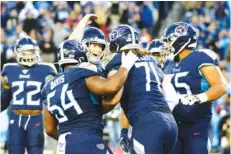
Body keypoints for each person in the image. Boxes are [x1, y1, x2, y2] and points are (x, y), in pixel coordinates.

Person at [42, 39, 138, 154]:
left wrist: (70, 141)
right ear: (80, 56)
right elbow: (111, 86)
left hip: (64, 145)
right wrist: (125, 66)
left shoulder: (48, 87)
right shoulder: (80, 73)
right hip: (87, 138)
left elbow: (49, 129)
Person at [104, 24, 178, 154]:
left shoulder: (118, 59)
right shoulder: (151, 59)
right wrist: (124, 131)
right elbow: (171, 96)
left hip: (148, 124)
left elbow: (113, 89)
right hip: (170, 124)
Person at [162, 22, 228, 154]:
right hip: (174, 126)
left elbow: (221, 86)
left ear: (181, 39)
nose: (167, 44)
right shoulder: (168, 64)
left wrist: (199, 97)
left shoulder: (201, 57)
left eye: (169, 40)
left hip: (197, 125)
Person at [1, 37, 57, 154]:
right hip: (16, 118)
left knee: (36, 151)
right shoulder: (9, 69)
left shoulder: (46, 69)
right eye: (25, 52)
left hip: (36, 118)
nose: (28, 55)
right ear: (18, 52)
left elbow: (53, 96)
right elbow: (4, 100)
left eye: (31, 51)